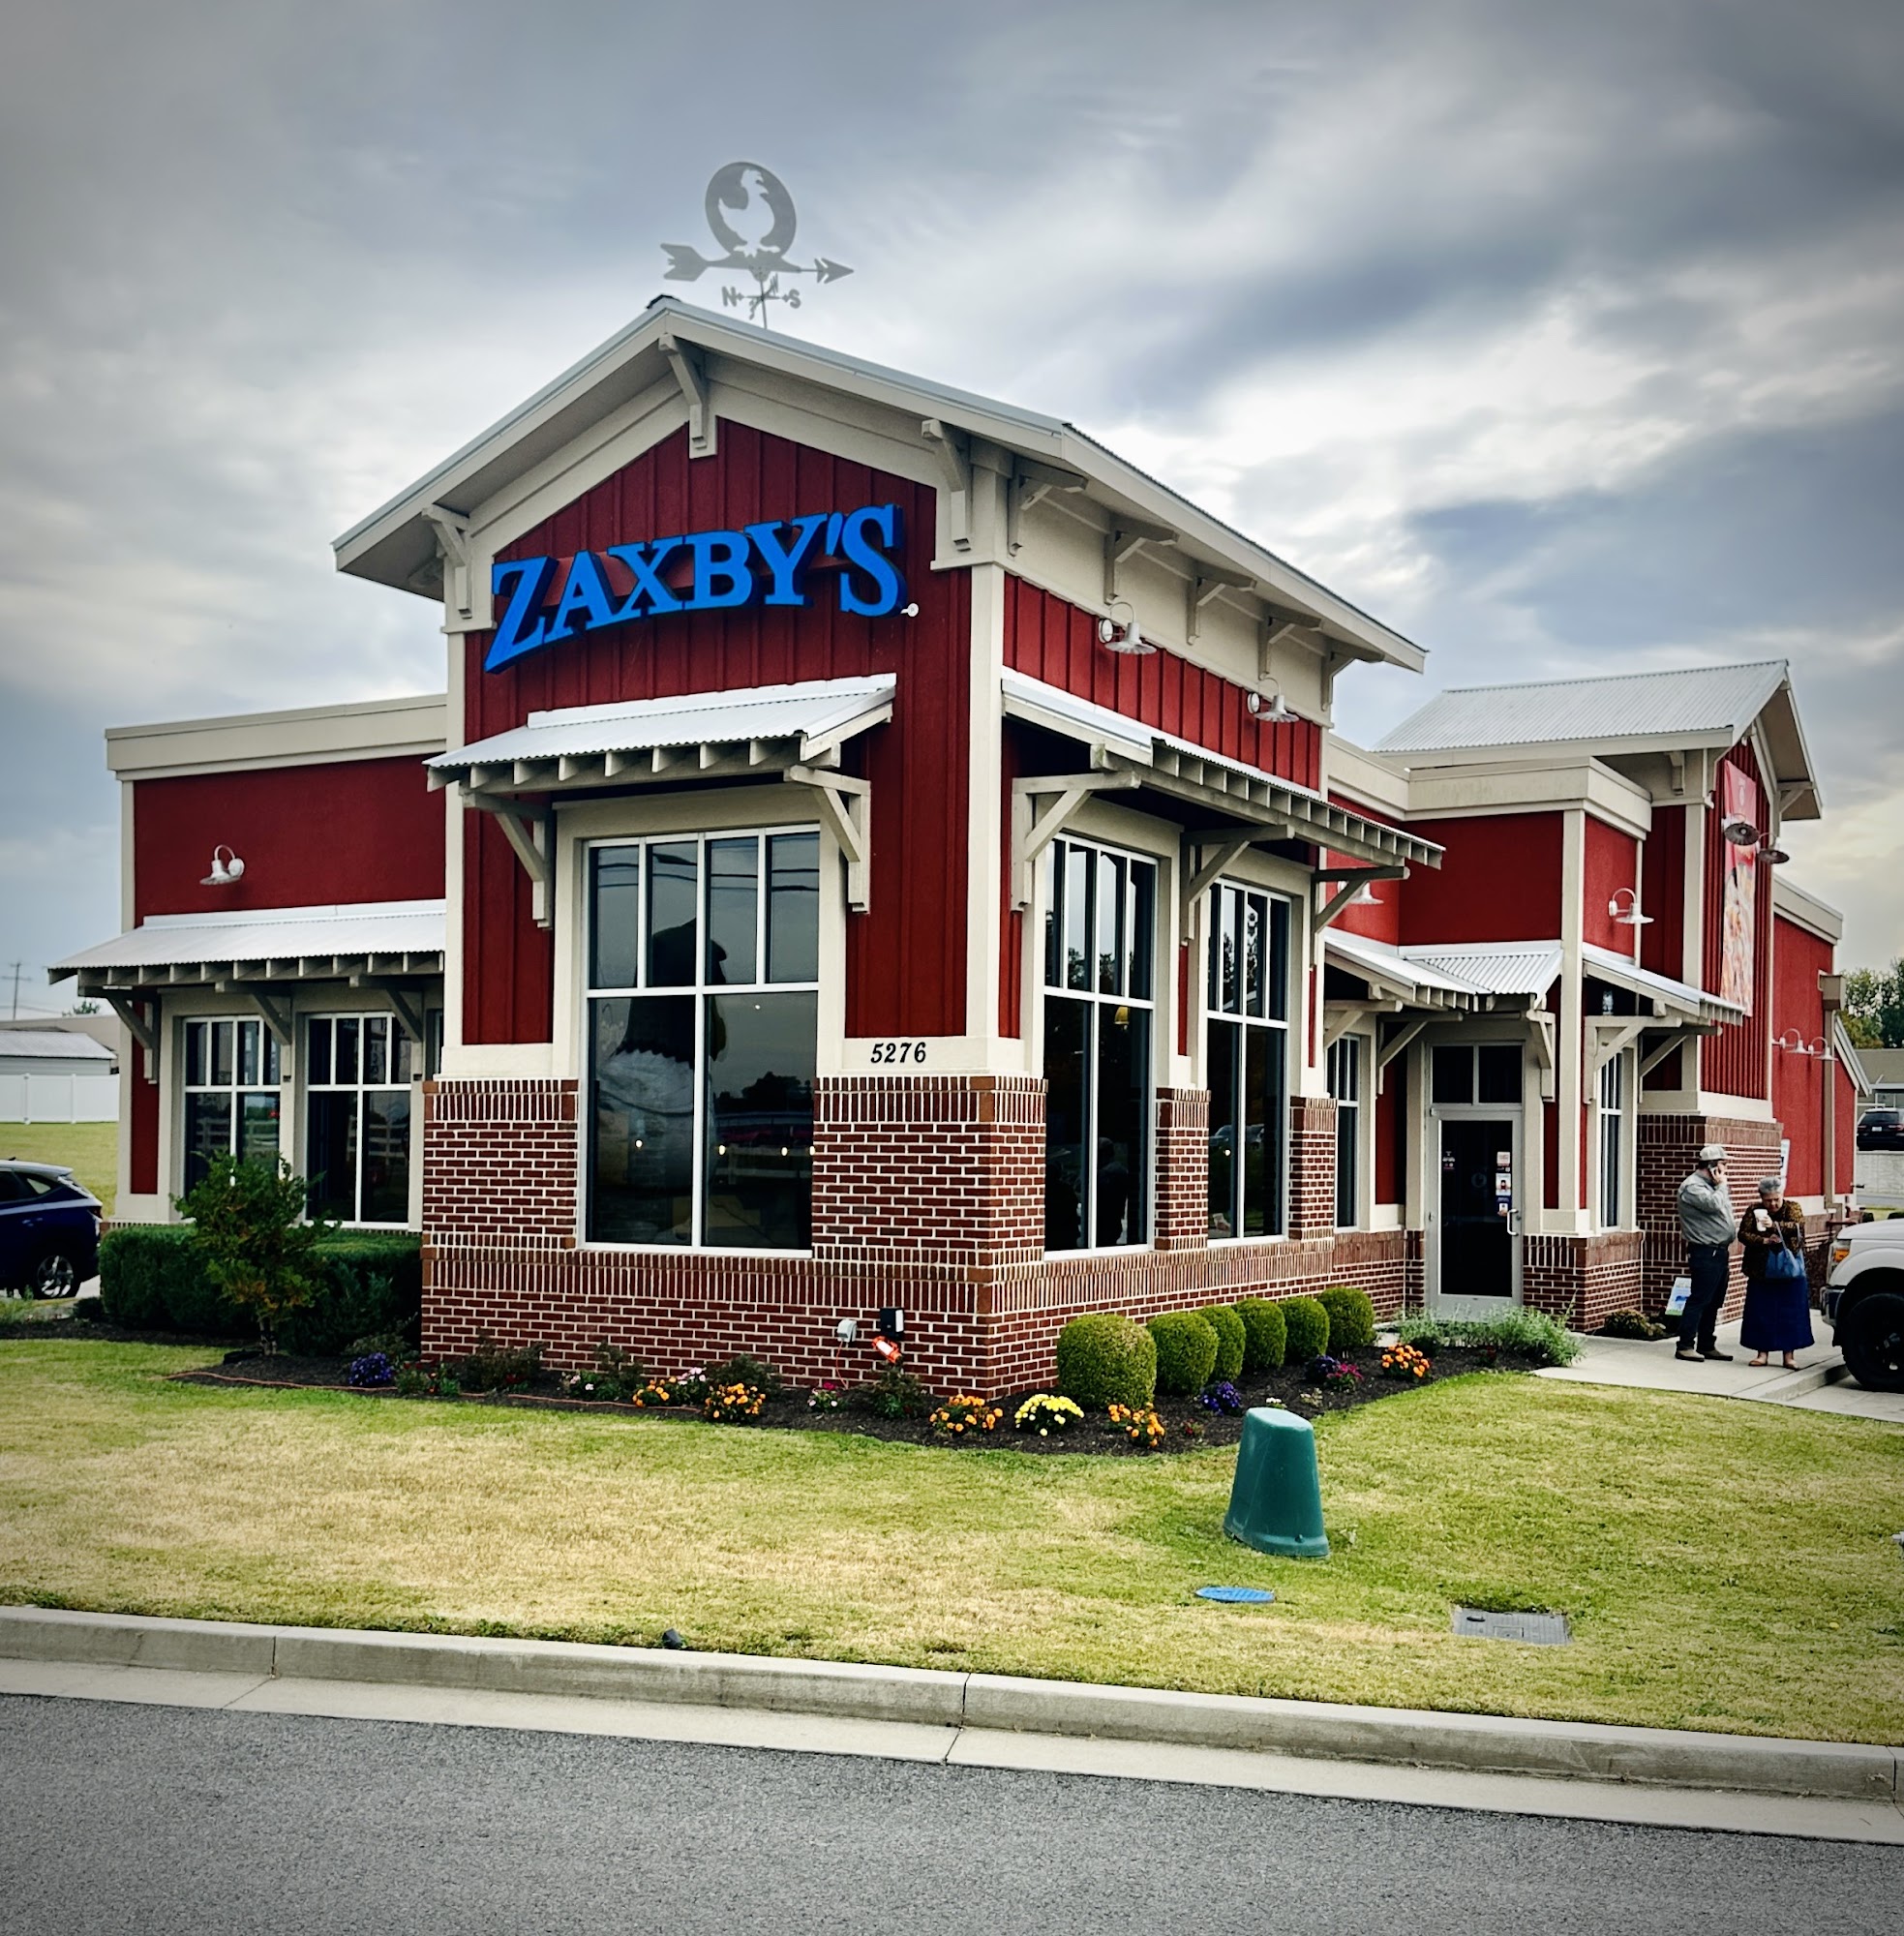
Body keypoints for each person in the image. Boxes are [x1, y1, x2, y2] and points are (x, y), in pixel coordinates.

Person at [1738, 1176, 1813, 1369]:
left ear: (1782, 1195)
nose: (1772, 1204)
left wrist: (1775, 1227)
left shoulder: (1793, 1207)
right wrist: (1764, 1241)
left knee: (1790, 1314)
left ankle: (1789, 1356)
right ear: (1761, 1198)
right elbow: (1743, 1234)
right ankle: (1762, 1354)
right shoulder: (1754, 1210)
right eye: (1768, 1200)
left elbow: (1798, 1226)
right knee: (1761, 1312)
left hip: (1789, 1270)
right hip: (1761, 1271)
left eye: (1776, 1199)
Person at [1674, 1143, 1738, 1362]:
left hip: (1719, 1251)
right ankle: (1685, 1345)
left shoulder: (1712, 1186)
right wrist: (1722, 1186)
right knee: (1699, 1299)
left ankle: (1706, 1344)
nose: (1725, 1171)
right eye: (1723, 1166)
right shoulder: (1692, 1187)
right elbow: (1713, 1205)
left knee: (1714, 1300)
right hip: (1704, 1251)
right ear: (1712, 1167)